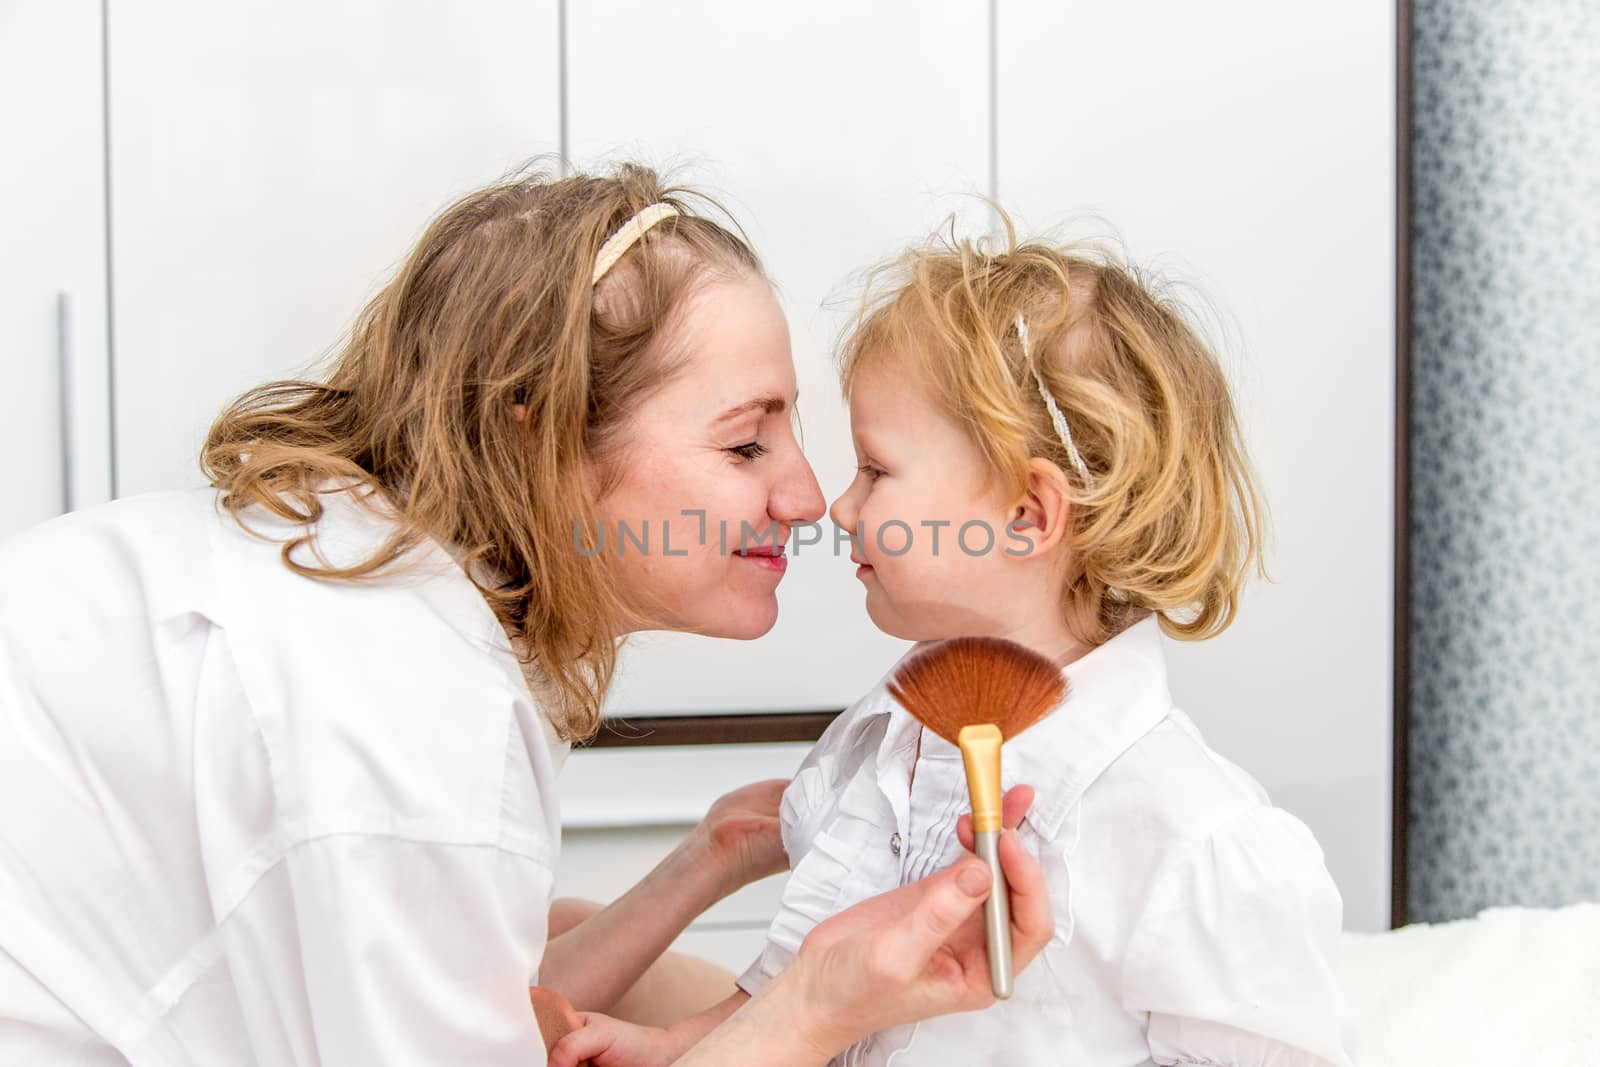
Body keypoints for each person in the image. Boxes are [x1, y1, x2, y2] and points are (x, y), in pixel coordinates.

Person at [0, 165, 1053, 1065]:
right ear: (540, 433)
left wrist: (714, 853)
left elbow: (461, 1001)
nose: (806, 496)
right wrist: (808, 1012)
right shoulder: (402, 711)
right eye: (745, 445)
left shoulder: (363, 584)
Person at [553, 221, 1356, 1066]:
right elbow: (792, 993)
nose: (837, 507)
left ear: (1027, 515)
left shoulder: (1190, 835)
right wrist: (669, 1047)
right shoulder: (883, 739)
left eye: (876, 470)